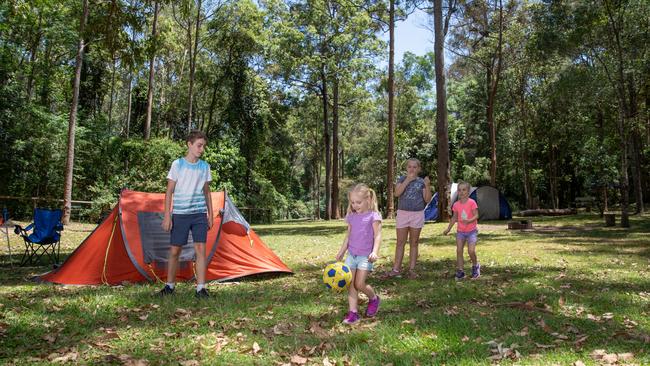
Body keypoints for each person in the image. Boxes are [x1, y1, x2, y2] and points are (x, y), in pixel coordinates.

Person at [158, 130, 214, 298]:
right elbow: (169, 191)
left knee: (200, 249)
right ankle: (169, 286)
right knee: (175, 251)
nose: (201, 149)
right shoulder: (177, 165)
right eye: (199, 145)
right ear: (189, 144)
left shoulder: (205, 167)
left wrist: (210, 215)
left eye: (203, 146)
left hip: (199, 214)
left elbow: (207, 192)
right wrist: (167, 215)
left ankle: (201, 288)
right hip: (180, 214)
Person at [335, 183, 382, 324]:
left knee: (360, 284)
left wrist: (375, 252)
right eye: (353, 202)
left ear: (368, 200)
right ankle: (353, 313)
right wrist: (341, 252)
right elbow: (348, 236)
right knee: (351, 284)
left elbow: (378, 236)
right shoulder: (351, 216)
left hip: (365, 256)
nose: (355, 205)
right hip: (352, 255)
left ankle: (374, 298)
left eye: (358, 202)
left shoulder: (374, 216)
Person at [385, 158, 432, 279]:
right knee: (400, 242)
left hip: (417, 214)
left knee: (414, 242)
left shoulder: (422, 182)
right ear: (406, 168)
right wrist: (407, 180)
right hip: (403, 214)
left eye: (414, 167)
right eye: (409, 167)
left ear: (419, 169)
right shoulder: (401, 179)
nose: (412, 169)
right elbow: (397, 193)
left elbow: (427, 199)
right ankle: (396, 269)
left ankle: (412, 269)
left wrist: (427, 185)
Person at [443, 181, 480, 280]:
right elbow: (454, 218)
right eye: (459, 190)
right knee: (459, 251)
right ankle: (460, 271)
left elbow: (476, 215)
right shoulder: (456, 205)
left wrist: (469, 220)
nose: (461, 192)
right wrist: (448, 229)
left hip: (471, 231)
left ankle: (476, 266)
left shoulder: (472, 202)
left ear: (468, 191)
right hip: (460, 232)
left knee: (471, 251)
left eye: (464, 190)